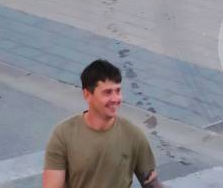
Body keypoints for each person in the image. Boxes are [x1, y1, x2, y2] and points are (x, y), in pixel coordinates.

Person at [42, 59, 161, 188]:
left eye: (118, 91)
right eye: (107, 92)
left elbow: (152, 184)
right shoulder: (63, 135)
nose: (116, 99)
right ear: (87, 95)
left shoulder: (133, 135)